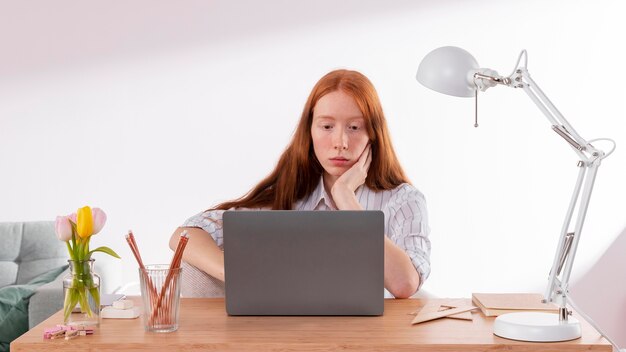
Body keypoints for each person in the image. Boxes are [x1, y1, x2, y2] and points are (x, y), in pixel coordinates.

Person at [170, 69, 431, 298]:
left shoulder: (403, 200)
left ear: (373, 134)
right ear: (310, 133)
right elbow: (184, 235)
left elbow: (404, 284)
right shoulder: (289, 197)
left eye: (354, 127)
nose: (340, 141)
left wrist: (346, 200)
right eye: (327, 126)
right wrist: (236, 272)